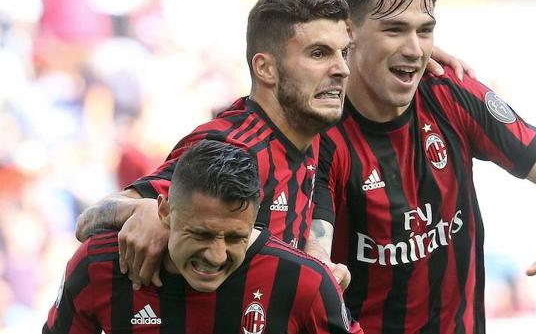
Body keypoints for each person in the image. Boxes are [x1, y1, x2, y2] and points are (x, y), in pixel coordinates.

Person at [74, 0, 471, 290]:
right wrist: (143, 209)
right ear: (265, 69)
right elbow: (93, 217)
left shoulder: (309, 130)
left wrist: (410, 54)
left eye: (344, 53)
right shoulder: (235, 147)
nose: (342, 70)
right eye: (319, 54)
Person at [311, 0, 536, 334]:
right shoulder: (323, 133)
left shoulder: (453, 95)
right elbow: (316, 252)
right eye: (394, 30)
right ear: (349, 33)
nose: (414, 48)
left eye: (425, 30)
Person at [44, 139, 362, 334]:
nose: (216, 255)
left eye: (235, 237)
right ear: (165, 212)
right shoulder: (100, 265)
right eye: (201, 234)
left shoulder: (303, 282)